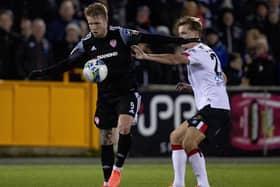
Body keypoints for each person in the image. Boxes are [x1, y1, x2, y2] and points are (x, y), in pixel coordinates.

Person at [29, 3, 199, 187]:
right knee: (106, 138)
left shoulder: (121, 34)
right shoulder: (86, 43)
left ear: (106, 20)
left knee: (124, 127)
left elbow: (150, 38)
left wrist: (178, 41)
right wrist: (43, 73)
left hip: (127, 91)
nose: (93, 28)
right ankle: (107, 181)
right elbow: (68, 63)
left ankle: (118, 169)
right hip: (105, 95)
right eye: (90, 24)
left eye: (97, 23)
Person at [132, 16, 231, 187]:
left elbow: (174, 59)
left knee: (189, 142)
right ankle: (178, 183)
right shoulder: (208, 51)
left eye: (184, 33)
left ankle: (203, 184)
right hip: (215, 106)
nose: (180, 37)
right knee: (176, 137)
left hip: (214, 108)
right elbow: (222, 77)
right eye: (179, 33)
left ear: (195, 33)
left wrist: (146, 56)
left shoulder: (197, 51)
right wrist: (194, 87)